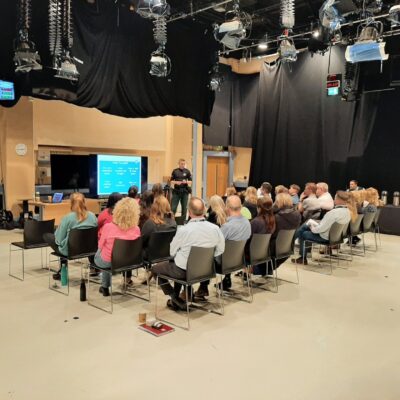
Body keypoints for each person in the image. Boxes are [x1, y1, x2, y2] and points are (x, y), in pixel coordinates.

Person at [152, 197, 225, 311]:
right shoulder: (215, 228)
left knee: (156, 269)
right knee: (179, 262)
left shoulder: (184, 230)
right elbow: (220, 250)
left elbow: (172, 252)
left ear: (189, 212)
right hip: (207, 270)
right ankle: (183, 295)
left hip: (185, 272)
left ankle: (174, 297)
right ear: (204, 210)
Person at [196, 195, 251, 297]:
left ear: (227, 208)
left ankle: (203, 287)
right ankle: (226, 280)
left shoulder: (227, 227)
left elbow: (212, 245)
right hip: (239, 260)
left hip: (224, 263)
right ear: (241, 206)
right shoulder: (247, 223)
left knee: (203, 255)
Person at [43, 193, 98, 280]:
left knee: (48, 236)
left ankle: (63, 270)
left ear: (71, 203)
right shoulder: (92, 216)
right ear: (84, 202)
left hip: (70, 251)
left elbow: (59, 240)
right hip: (90, 249)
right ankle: (94, 268)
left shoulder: (67, 218)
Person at [293, 191, 356, 264]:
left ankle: (302, 257)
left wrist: (312, 227)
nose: (333, 200)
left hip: (325, 237)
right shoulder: (349, 211)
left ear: (339, 200)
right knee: (306, 226)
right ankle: (300, 250)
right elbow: (326, 226)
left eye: (335, 198)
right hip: (336, 237)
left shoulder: (333, 213)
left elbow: (319, 230)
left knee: (303, 233)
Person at [95, 198, 141, 296]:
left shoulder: (108, 227)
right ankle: (107, 284)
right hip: (128, 261)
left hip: (108, 262)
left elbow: (100, 245)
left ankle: (105, 287)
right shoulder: (137, 229)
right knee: (110, 255)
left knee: (103, 253)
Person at [269, 193, 301, 271]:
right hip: (288, 246)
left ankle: (253, 270)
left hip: (274, 247)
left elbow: (271, 234)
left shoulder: (276, 217)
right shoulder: (297, 215)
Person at [247, 197, 276, 275]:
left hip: (252, 253)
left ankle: (246, 271)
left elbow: (247, 238)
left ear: (259, 208)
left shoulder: (256, 222)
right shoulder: (273, 220)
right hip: (265, 252)